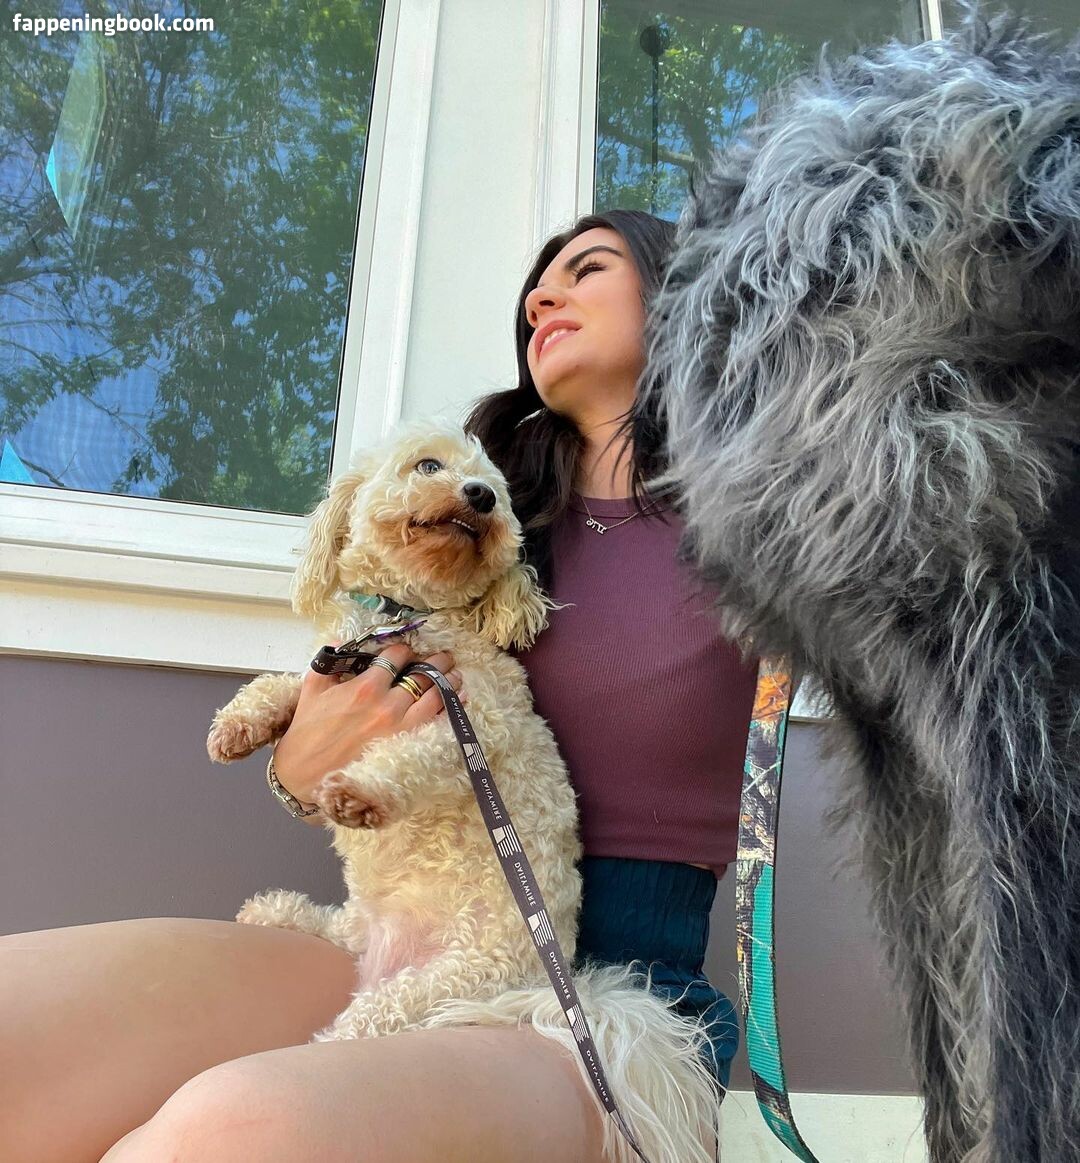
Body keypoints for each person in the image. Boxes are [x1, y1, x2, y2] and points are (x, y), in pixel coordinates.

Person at [0, 209, 758, 1163]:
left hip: (609, 997)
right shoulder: (477, 521)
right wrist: (300, 767)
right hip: (399, 927)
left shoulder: (764, 532)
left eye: (588, 268)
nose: (541, 298)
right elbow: (340, 730)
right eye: (537, 285)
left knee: (233, 1129)